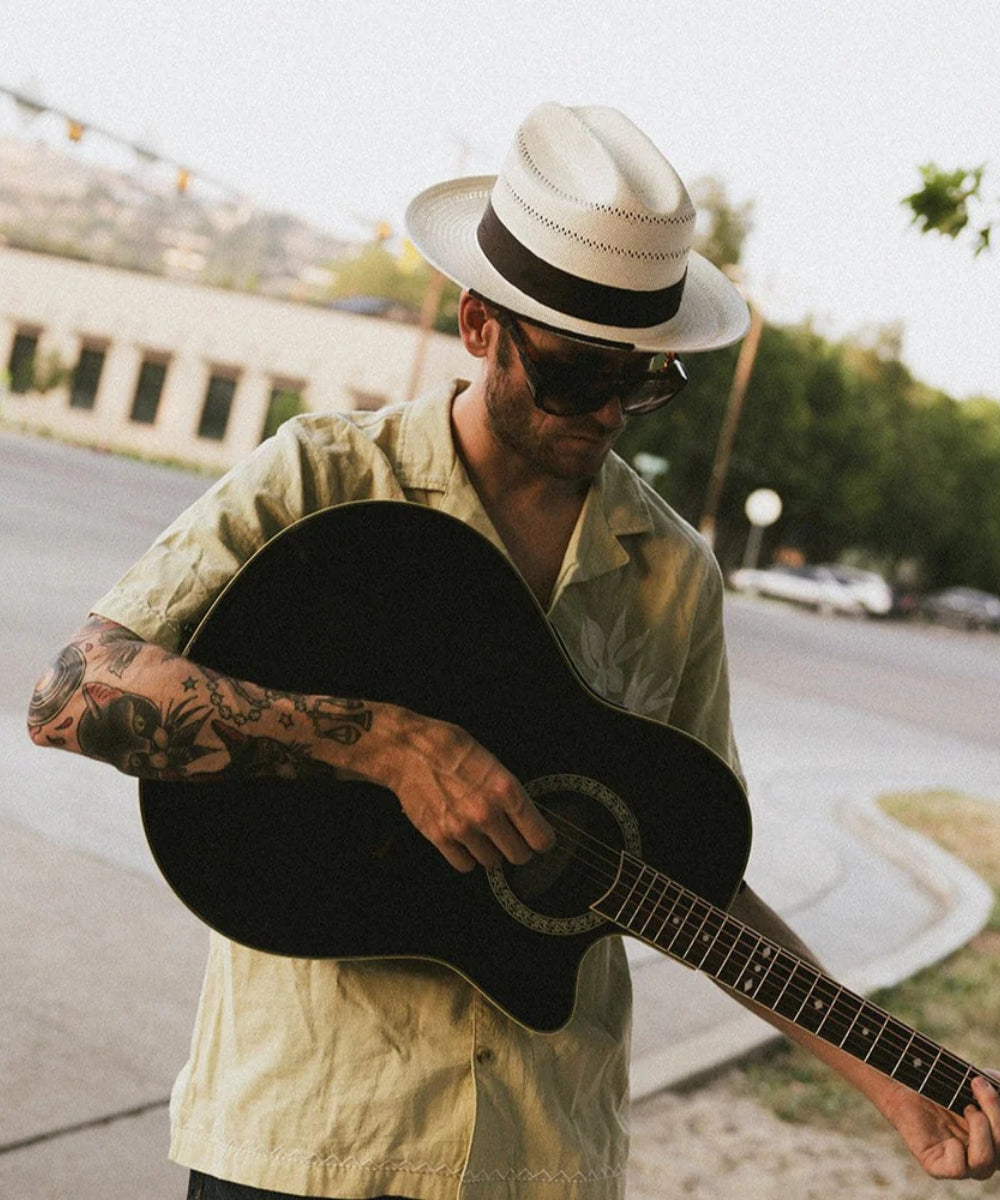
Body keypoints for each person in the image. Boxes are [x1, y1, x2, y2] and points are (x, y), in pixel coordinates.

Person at [27, 102, 998, 1199]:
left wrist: (885, 1072)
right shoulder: (322, 480)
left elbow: (689, 873)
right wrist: (384, 743)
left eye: (644, 380)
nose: (612, 414)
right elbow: (74, 696)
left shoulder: (670, 574)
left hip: (540, 1157)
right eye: (581, 375)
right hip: (306, 1134)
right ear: (480, 325)